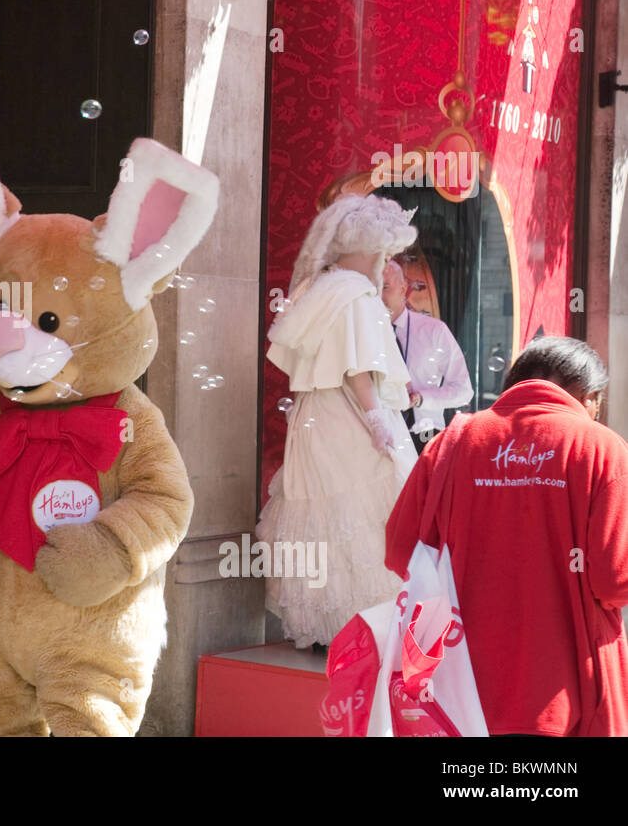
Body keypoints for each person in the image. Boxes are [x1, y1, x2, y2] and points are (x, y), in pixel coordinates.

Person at [386, 337, 628, 736]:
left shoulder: (452, 441)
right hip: (565, 693)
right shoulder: (602, 449)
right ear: (589, 397)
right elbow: (614, 581)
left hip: (454, 685)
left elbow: (401, 552)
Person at [255, 193, 417, 649]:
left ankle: (330, 631)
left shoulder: (320, 286)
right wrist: (377, 421)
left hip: (312, 417)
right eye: (385, 252)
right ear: (368, 249)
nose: (386, 263)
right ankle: (369, 629)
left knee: (318, 513)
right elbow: (359, 369)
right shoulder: (358, 296)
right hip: (348, 416)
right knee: (365, 511)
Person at [380, 258, 473, 452]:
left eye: (385, 287)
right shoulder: (364, 334)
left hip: (423, 435)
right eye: (373, 289)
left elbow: (464, 391)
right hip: (378, 436)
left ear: (403, 289)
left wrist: (422, 398)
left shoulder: (433, 331)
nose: (378, 296)